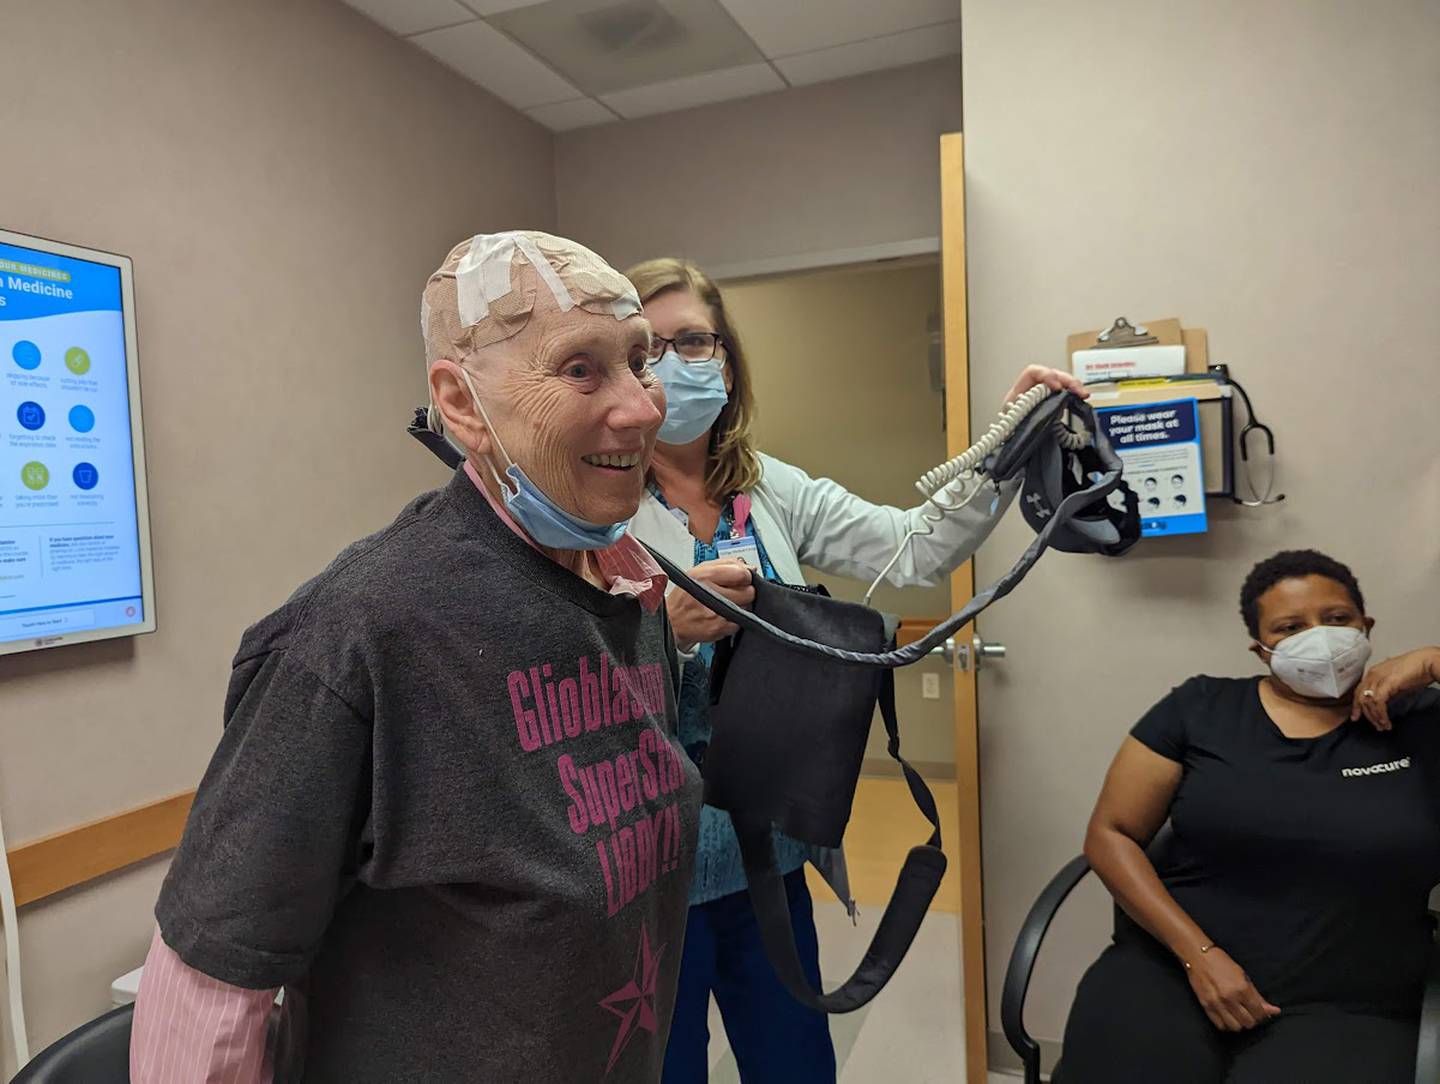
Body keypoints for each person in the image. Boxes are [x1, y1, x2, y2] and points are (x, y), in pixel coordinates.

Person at [129, 232, 703, 1082]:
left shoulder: (633, 591)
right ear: (462, 405)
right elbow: (215, 980)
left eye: (639, 361)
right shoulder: (358, 634)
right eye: (580, 369)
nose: (642, 407)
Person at [623, 256, 1086, 1083]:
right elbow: (561, 680)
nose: (674, 363)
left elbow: (915, 547)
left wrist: (1009, 439)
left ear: (725, 356)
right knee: (667, 1072)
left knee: (795, 1064)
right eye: (648, 348)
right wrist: (671, 634)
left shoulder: (768, 488)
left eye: (692, 340)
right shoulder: (593, 507)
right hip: (648, 870)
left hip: (766, 845)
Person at [1057, 548, 1440, 1083]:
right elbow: (1110, 833)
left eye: (1337, 619)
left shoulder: (1424, 718)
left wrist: (1433, 660)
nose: (1320, 637)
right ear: (1262, 650)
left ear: (1366, 625)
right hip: (1173, 970)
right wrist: (1200, 956)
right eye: (1290, 627)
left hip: (1348, 1003)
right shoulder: (1201, 708)